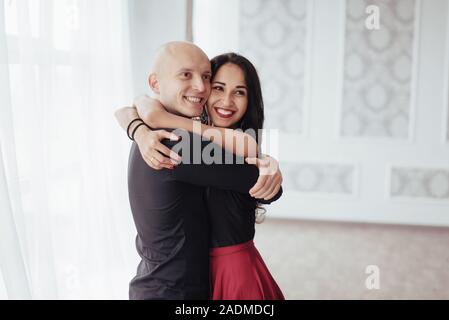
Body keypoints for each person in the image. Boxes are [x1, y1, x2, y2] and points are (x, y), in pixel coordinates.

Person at [115, 42, 282, 300]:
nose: (201, 87)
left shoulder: (168, 134)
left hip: (186, 280)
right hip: (175, 289)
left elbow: (264, 180)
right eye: (217, 87)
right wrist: (140, 121)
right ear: (156, 83)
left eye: (206, 78)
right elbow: (258, 175)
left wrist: (138, 122)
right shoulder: (177, 143)